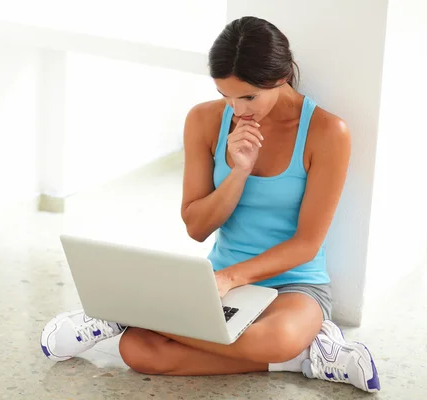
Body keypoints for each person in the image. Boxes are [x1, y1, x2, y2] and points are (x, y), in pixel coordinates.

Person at [39, 16, 381, 393]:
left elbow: (307, 244)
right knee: (138, 350)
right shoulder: (204, 120)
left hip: (294, 286)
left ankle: (119, 314)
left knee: (280, 335)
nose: (237, 110)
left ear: (281, 76)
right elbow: (197, 227)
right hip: (219, 284)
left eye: (248, 96)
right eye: (226, 95)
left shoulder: (327, 132)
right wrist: (238, 173)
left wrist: (230, 278)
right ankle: (306, 358)